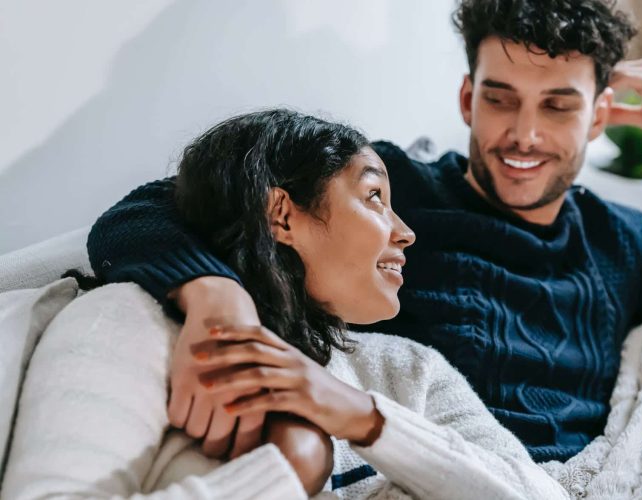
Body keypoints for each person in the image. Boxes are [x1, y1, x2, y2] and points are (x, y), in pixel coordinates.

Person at [86, 0, 642, 466]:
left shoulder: (627, 244)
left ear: (599, 117)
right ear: (467, 99)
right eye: (499, 99)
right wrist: (218, 298)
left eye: (557, 106)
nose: (523, 134)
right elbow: (145, 212)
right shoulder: (393, 193)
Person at [1, 109, 567, 499]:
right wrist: (291, 466)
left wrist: (362, 418)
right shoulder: (128, 326)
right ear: (282, 215)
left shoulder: (407, 371)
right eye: (374, 197)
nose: (405, 232)